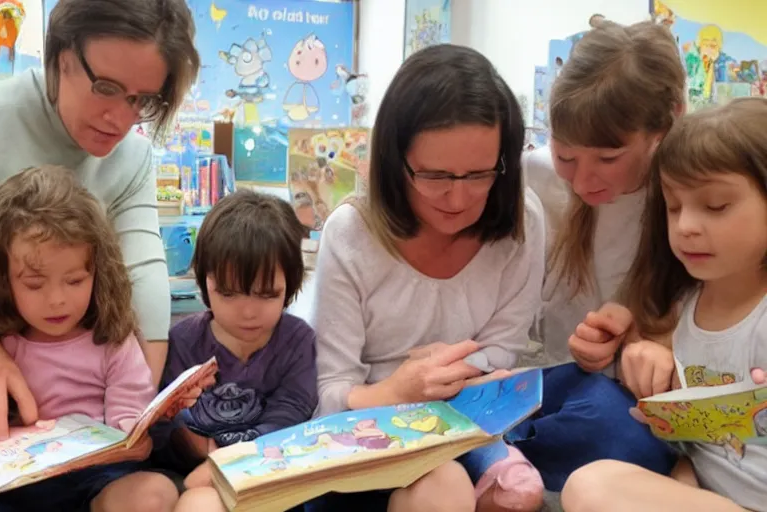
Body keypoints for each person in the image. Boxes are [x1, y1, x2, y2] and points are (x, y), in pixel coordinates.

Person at [0, 0, 199, 450]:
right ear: (61, 57)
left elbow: (143, 277)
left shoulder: (134, 157)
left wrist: (141, 408)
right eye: (105, 87)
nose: (120, 120)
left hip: (54, 342)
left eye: (141, 100)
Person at [0, 166, 204, 511]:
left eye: (74, 281)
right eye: (34, 284)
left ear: (97, 273)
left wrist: (145, 431)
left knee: (155, 492)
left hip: (98, 476)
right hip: (16, 474)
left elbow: (131, 437)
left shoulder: (114, 341)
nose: (56, 299)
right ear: (3, 279)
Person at [304, 44, 545, 512]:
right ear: (396, 162)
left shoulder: (522, 222)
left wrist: (458, 373)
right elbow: (330, 393)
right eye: (434, 175)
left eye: (479, 174)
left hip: (470, 423)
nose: (458, 198)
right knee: (446, 485)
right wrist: (399, 390)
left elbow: (503, 348)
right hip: (363, 436)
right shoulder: (351, 234)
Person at [560, 97, 767, 512]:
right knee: (589, 484)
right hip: (707, 491)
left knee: (592, 487)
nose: (687, 227)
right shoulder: (681, 306)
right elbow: (698, 443)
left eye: (716, 206)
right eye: (673, 208)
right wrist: (622, 344)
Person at [515, 20, 686, 489]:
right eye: (566, 156)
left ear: (664, 126)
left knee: (624, 437)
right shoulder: (534, 176)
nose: (584, 180)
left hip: (628, 409)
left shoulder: (689, 202)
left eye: (608, 159)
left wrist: (650, 344)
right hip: (545, 385)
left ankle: (497, 461)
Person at [150, 190, 318, 511]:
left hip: (271, 475)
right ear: (204, 283)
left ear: (291, 286)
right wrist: (187, 440)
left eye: (267, 295)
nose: (248, 312)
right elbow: (161, 420)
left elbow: (289, 416)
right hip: (194, 477)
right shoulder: (182, 341)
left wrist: (223, 463)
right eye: (228, 294)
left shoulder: (299, 342)